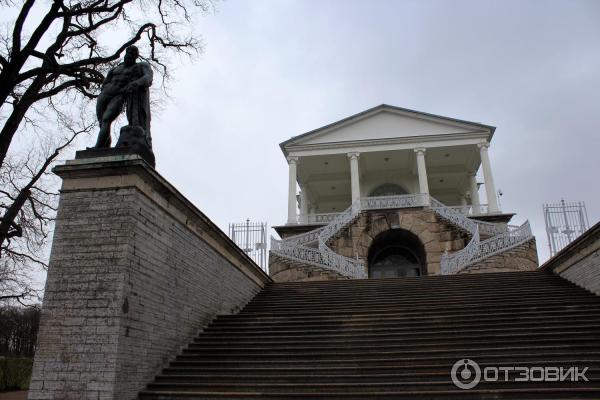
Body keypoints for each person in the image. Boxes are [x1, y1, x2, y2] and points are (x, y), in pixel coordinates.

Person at [94, 46, 153, 149]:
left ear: (136, 56)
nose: (130, 54)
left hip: (119, 95)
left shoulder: (139, 67)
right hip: (104, 95)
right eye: (128, 52)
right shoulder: (116, 68)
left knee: (106, 119)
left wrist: (136, 83)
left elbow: (148, 77)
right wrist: (104, 89)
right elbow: (107, 81)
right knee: (102, 122)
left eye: (133, 53)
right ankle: (105, 145)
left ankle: (98, 146)